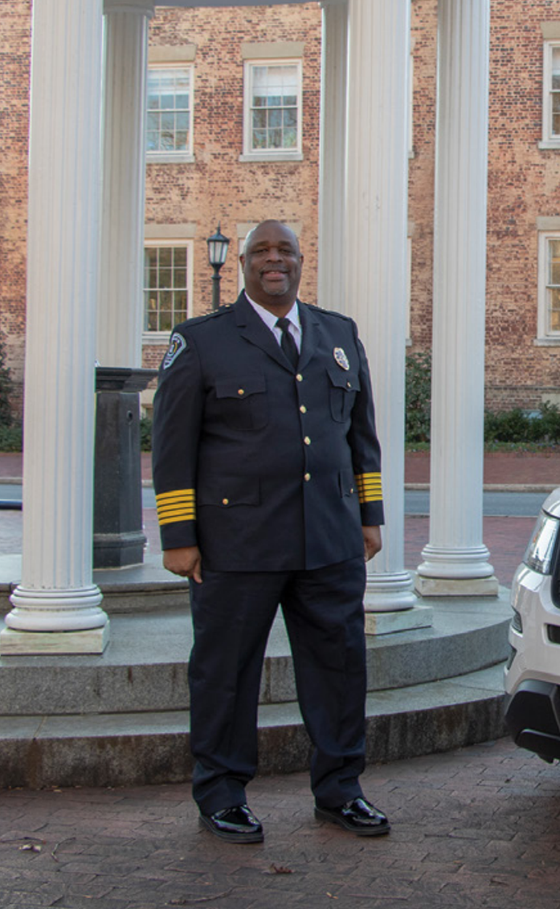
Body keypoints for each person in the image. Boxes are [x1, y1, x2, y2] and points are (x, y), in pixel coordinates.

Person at [151, 219, 388, 843]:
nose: (273, 260)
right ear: (244, 265)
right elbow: (172, 445)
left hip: (329, 539)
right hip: (238, 543)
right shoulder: (200, 341)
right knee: (226, 672)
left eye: (284, 250)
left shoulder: (339, 334)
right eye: (261, 252)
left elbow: (361, 433)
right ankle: (222, 792)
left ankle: (341, 790)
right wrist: (179, 535)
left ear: (302, 261)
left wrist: (370, 515)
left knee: (339, 668)